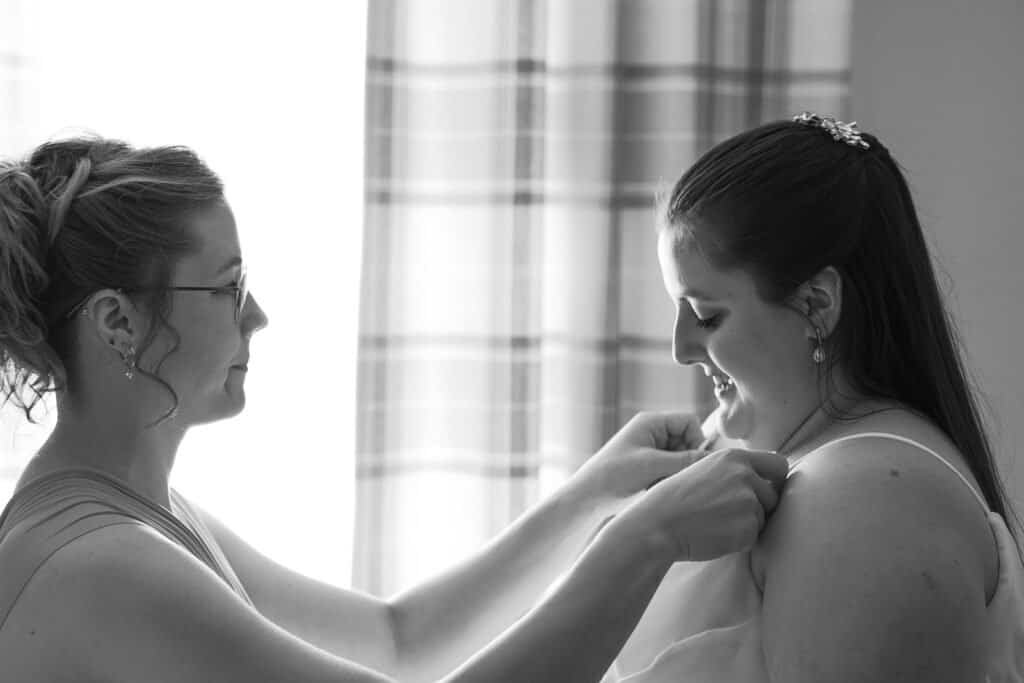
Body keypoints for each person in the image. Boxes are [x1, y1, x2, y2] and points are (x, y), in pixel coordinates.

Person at [0, 136, 789, 682]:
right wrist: (647, 540)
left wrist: (592, 496)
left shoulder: (141, 510)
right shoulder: (100, 560)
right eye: (226, 286)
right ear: (116, 321)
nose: (257, 317)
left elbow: (397, 639)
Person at [606, 113, 1024, 682]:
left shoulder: (875, 501)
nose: (680, 348)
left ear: (816, 305)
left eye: (706, 315)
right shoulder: (739, 446)